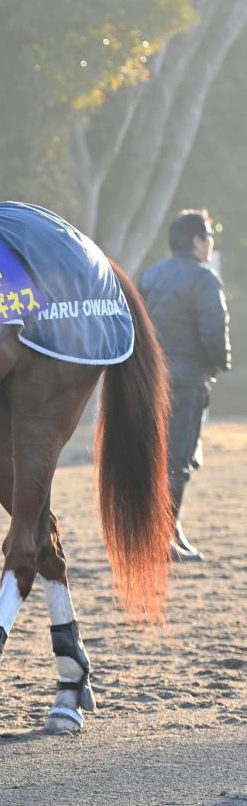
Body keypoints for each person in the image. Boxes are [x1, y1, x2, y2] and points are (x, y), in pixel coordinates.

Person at [139, 209, 232, 562]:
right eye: (208, 236)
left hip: (151, 381)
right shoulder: (203, 279)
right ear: (196, 241)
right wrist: (220, 362)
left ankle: (168, 531)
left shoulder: (151, 275)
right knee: (178, 461)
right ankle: (163, 538)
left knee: (156, 459)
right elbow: (213, 330)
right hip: (187, 379)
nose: (211, 243)